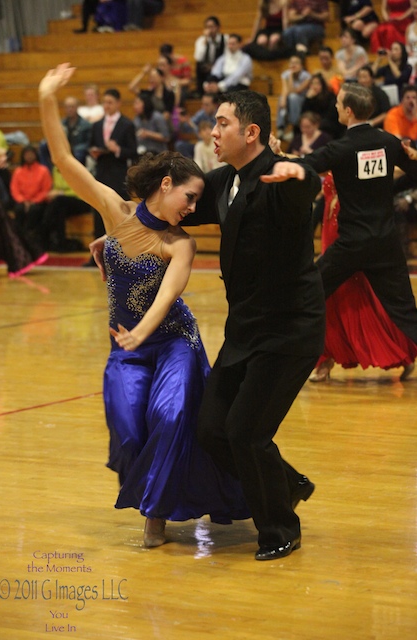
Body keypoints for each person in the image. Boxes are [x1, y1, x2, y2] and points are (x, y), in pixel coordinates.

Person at [38, 63, 251, 548]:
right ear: (166, 184)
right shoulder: (114, 212)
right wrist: (47, 97)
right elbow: (64, 160)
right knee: (130, 431)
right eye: (190, 198)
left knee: (171, 419)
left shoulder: (180, 244)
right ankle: (157, 503)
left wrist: (141, 331)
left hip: (174, 341)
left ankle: (155, 518)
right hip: (126, 349)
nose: (192, 210)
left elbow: (170, 293)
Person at [181, 90, 325, 561]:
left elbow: (304, 186)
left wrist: (300, 173)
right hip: (245, 330)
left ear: (251, 132)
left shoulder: (279, 177)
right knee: (212, 430)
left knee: (245, 431)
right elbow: (176, 205)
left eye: (222, 123)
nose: (213, 132)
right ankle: (288, 483)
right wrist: (121, 230)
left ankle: (281, 528)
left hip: (289, 331)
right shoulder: (223, 180)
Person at [277, 83, 417, 375]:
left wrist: (276, 157)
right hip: (386, 243)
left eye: (339, 103)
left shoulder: (341, 148)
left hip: (352, 244)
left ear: (349, 111)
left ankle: (283, 353)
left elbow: (305, 165)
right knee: (405, 311)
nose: (336, 107)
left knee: (309, 290)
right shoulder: (389, 142)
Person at [309, 171, 417, 381]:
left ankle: (400, 353)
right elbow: (314, 166)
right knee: (327, 298)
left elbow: (396, 171)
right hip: (330, 230)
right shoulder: (335, 157)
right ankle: (325, 360)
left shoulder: (366, 159)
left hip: (352, 232)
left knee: (358, 294)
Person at [0, 145, 48, 278]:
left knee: (2, 229)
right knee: (4, 229)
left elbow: (6, 152)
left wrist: (3, 158)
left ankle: (21, 259)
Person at [88, 87, 138, 242]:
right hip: (101, 171)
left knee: (118, 210)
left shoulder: (127, 124)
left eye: (110, 102)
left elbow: (133, 151)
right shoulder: (97, 125)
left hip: (118, 173)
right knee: (99, 209)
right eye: (104, 102)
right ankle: (97, 249)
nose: (106, 106)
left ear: (118, 103)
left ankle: (121, 248)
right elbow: (90, 145)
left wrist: (118, 149)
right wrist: (93, 152)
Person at [10, 145, 52, 256]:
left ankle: (29, 239)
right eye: (26, 154)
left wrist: (34, 201)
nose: (29, 156)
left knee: (34, 211)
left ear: (35, 155)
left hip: (38, 202)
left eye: (31, 154)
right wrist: (23, 201)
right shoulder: (18, 171)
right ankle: (19, 239)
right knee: (19, 210)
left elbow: (46, 189)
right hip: (22, 201)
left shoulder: (43, 170)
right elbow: (14, 189)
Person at [276, 53, 312, 139]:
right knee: (281, 98)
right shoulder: (285, 74)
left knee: (293, 97)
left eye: (296, 63)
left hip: (302, 99)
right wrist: (283, 100)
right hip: (290, 99)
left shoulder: (307, 76)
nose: (293, 65)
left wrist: (291, 76)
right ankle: (280, 127)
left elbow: (295, 91)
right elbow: (285, 89)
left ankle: (294, 127)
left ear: (301, 65)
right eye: (291, 63)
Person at [194, 16, 229, 96]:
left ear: (218, 27)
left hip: (221, 67)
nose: (210, 30)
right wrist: (205, 40)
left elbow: (228, 57)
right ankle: (200, 92)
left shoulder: (226, 39)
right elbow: (198, 57)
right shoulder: (201, 40)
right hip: (207, 68)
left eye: (212, 27)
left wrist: (216, 66)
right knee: (199, 66)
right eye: (207, 27)